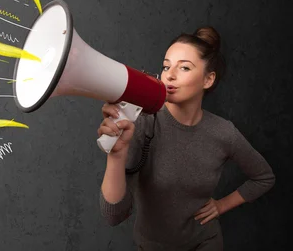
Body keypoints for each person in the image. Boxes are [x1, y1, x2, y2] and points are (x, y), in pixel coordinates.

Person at [98, 26, 275, 250]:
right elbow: (113, 216)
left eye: (184, 67)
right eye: (165, 66)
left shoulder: (223, 132)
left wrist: (221, 206)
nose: (169, 75)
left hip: (204, 243)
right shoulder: (142, 123)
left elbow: (264, 177)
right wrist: (116, 155)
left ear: (208, 80)